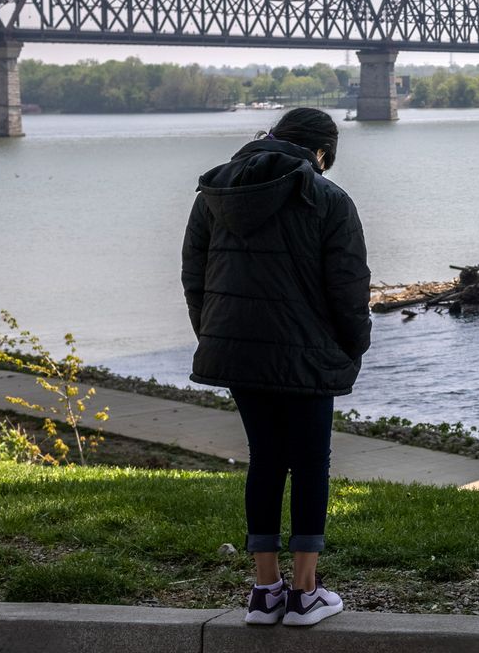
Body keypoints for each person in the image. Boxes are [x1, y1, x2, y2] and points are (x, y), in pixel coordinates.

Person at [181, 107, 370, 627]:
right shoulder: (328, 199)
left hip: (236, 350)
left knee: (265, 458)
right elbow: (349, 288)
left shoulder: (214, 194)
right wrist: (353, 347)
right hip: (307, 353)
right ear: (321, 152)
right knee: (311, 463)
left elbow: (194, 278)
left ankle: (265, 592)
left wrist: (218, 336)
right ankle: (306, 592)